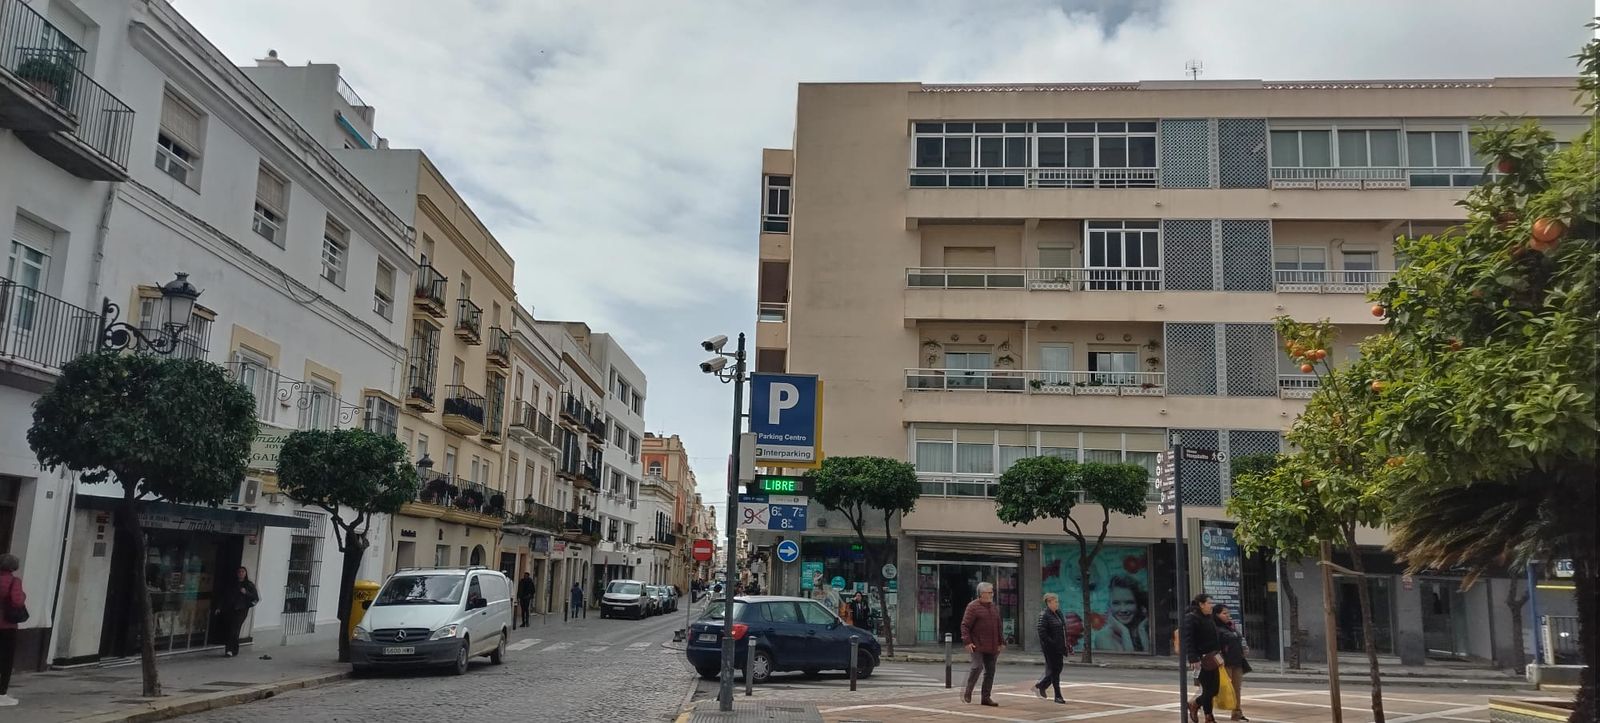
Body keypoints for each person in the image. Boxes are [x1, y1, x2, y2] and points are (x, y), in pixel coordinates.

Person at [1033, 592, 1083, 704]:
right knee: (1055, 671)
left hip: (1060, 646)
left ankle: (1041, 685)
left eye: (1057, 601)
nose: (1057, 604)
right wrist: (1052, 644)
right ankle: (1057, 695)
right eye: (1055, 602)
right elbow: (1042, 633)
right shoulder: (1044, 615)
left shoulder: (1058, 613)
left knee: (1058, 669)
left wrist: (1067, 644)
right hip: (1050, 648)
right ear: (1048, 602)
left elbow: (1063, 630)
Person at [959, 581, 1004, 707]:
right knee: (977, 667)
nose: (992, 595)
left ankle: (986, 697)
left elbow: (999, 625)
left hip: (992, 645)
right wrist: (967, 642)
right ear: (982, 594)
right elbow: (965, 626)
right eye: (990, 592)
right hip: (977, 644)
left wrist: (1001, 642)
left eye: (992, 592)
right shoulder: (972, 607)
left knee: (990, 671)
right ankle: (968, 691)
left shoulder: (994, 607)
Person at [1182, 594, 1222, 723]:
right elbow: (1188, 639)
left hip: (1213, 658)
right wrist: (1193, 658)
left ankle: (1195, 703)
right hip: (1201, 658)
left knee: (1214, 689)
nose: (1211, 606)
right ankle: (1208, 717)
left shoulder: (1209, 618)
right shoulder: (1191, 618)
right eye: (1209, 603)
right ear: (1201, 604)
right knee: (1208, 689)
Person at [1215, 604, 1251, 721]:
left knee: (1236, 688)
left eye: (1228, 613)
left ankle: (1237, 712)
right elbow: (1214, 647)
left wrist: (1244, 648)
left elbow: (1240, 639)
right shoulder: (1215, 628)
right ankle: (1198, 704)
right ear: (1216, 615)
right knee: (1220, 688)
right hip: (1225, 663)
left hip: (1237, 661)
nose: (1227, 616)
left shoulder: (1230, 627)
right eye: (1224, 613)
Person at [1, 553, 26, 707]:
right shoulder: (14, 581)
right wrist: (23, 595)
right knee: (6, 660)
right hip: (7, 625)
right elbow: (17, 601)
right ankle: (1, 692)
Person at [1101, 574, 1150, 652]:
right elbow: (1131, 662)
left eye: (1129, 602)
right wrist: (1124, 632)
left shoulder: (1148, 630)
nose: (1123, 609)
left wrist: (1142, 631)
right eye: (1116, 603)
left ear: (1138, 605)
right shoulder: (1103, 637)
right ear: (1109, 606)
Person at [220, 566, 259, 658]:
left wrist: (246, 593)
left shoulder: (249, 585)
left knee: (235, 629)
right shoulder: (233, 584)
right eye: (239, 572)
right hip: (231, 609)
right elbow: (225, 596)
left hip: (241, 609)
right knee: (230, 629)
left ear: (245, 574)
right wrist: (220, 607)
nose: (241, 574)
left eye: (243, 572)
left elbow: (255, 598)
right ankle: (232, 649)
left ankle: (231, 650)